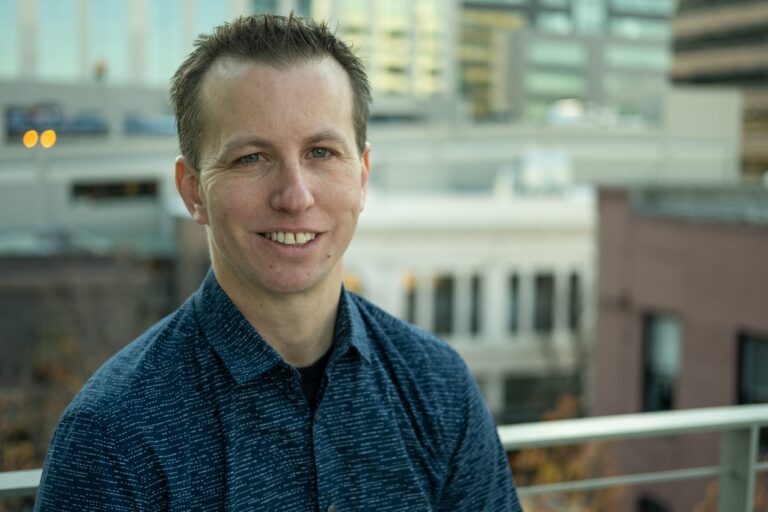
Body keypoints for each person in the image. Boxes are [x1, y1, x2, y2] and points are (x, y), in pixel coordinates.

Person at [34, 13, 522, 511]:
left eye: (322, 152)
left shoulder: (438, 387)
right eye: (251, 158)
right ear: (193, 191)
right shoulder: (111, 437)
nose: (294, 196)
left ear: (363, 175)